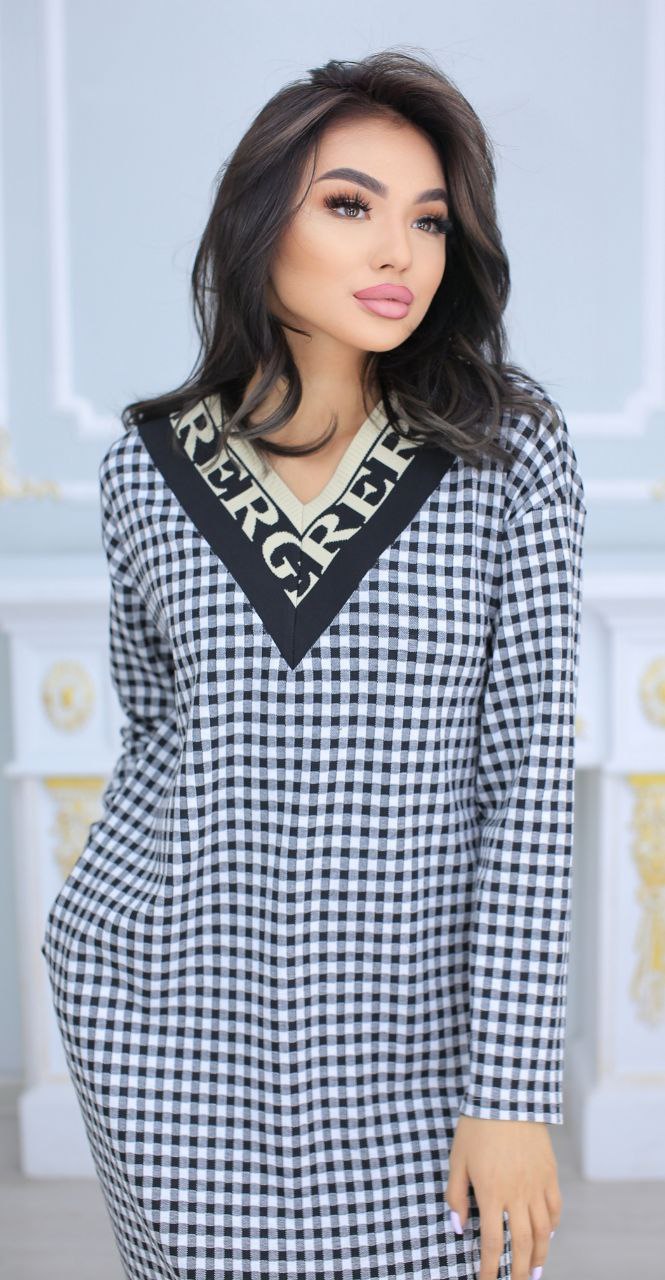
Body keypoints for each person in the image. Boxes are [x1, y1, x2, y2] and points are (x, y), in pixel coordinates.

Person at [41, 48, 586, 1280]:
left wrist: (509, 1090)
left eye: (429, 220)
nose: (400, 251)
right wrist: (90, 947)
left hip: (422, 1061)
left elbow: (527, 785)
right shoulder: (146, 467)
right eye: (350, 204)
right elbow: (158, 736)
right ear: (259, 221)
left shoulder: (506, 452)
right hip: (179, 1040)